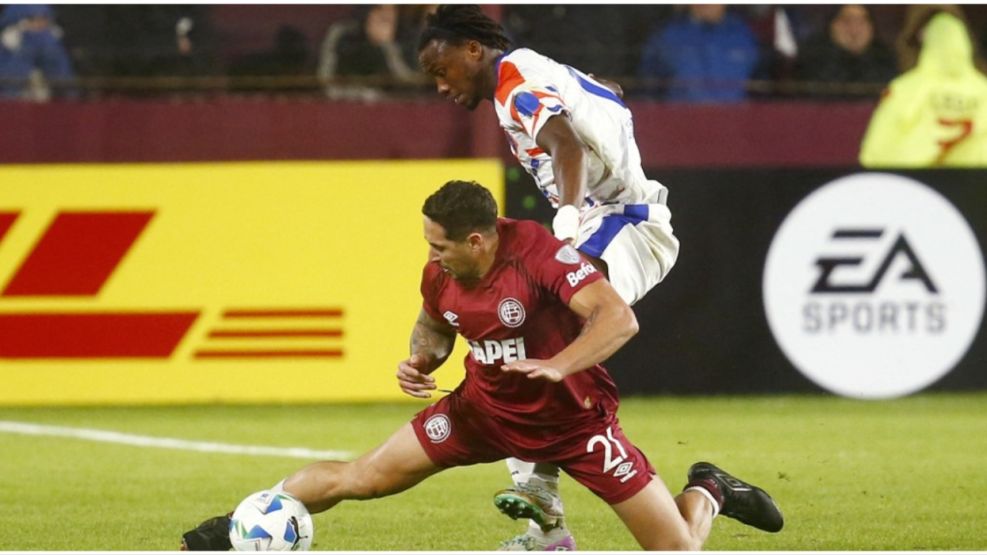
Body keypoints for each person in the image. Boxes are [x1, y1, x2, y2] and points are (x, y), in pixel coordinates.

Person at [181, 181, 784, 551]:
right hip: (482, 413)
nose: (431, 256)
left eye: (439, 245)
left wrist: (559, 365)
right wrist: (421, 357)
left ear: (478, 240)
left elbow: (618, 318)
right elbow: (435, 323)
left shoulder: (540, 256)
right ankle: (237, 526)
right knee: (360, 477)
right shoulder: (441, 271)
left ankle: (709, 489)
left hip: (575, 425)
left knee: (675, 550)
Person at [415, 4, 682, 549]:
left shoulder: (514, 84)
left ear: (472, 50)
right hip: (606, 217)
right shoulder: (531, 70)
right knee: (525, 321)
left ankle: (543, 500)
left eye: (442, 71)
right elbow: (606, 90)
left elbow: (565, 144)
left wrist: (566, 216)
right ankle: (550, 520)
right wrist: (601, 99)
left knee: (534, 312)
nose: (440, 87)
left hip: (624, 221)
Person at [859, 11, 987, 167]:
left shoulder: (906, 88)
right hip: (976, 185)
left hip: (916, 183)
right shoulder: (983, 90)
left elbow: (874, 153)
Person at [636, 4, 760, 102]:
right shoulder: (666, 37)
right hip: (678, 125)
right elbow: (647, 90)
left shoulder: (745, 37)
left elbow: (763, 89)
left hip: (736, 126)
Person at [795, 5, 896, 99]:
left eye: (862, 22)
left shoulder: (884, 57)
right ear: (832, 25)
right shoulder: (813, 56)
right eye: (846, 21)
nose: (854, 30)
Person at [0, 4, 76, 101]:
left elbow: (68, 89)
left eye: (43, 19)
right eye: (32, 20)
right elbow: (8, 90)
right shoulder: (5, 52)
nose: (39, 25)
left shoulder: (55, 49)